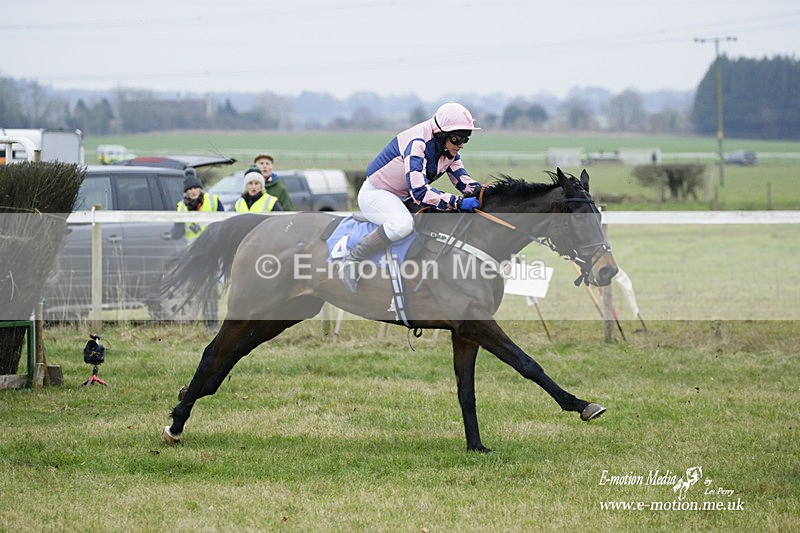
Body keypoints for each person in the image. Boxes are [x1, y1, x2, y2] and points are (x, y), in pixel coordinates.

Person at [339, 102, 483, 293]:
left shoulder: (449, 150)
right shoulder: (418, 143)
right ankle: (354, 258)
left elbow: (464, 182)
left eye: (466, 138)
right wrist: (457, 202)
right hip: (377, 194)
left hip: (403, 197)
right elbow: (420, 192)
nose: (461, 144)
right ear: (440, 134)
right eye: (457, 138)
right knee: (403, 224)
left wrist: (487, 193)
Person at [170, 168, 224, 332]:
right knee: (197, 290)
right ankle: (195, 321)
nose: (193, 191)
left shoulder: (213, 201)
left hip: (212, 253)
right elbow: (176, 233)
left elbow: (225, 222)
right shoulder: (181, 207)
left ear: (200, 188)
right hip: (194, 256)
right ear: (185, 192)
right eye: (189, 189)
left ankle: (212, 323)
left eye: (195, 188)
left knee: (211, 289)